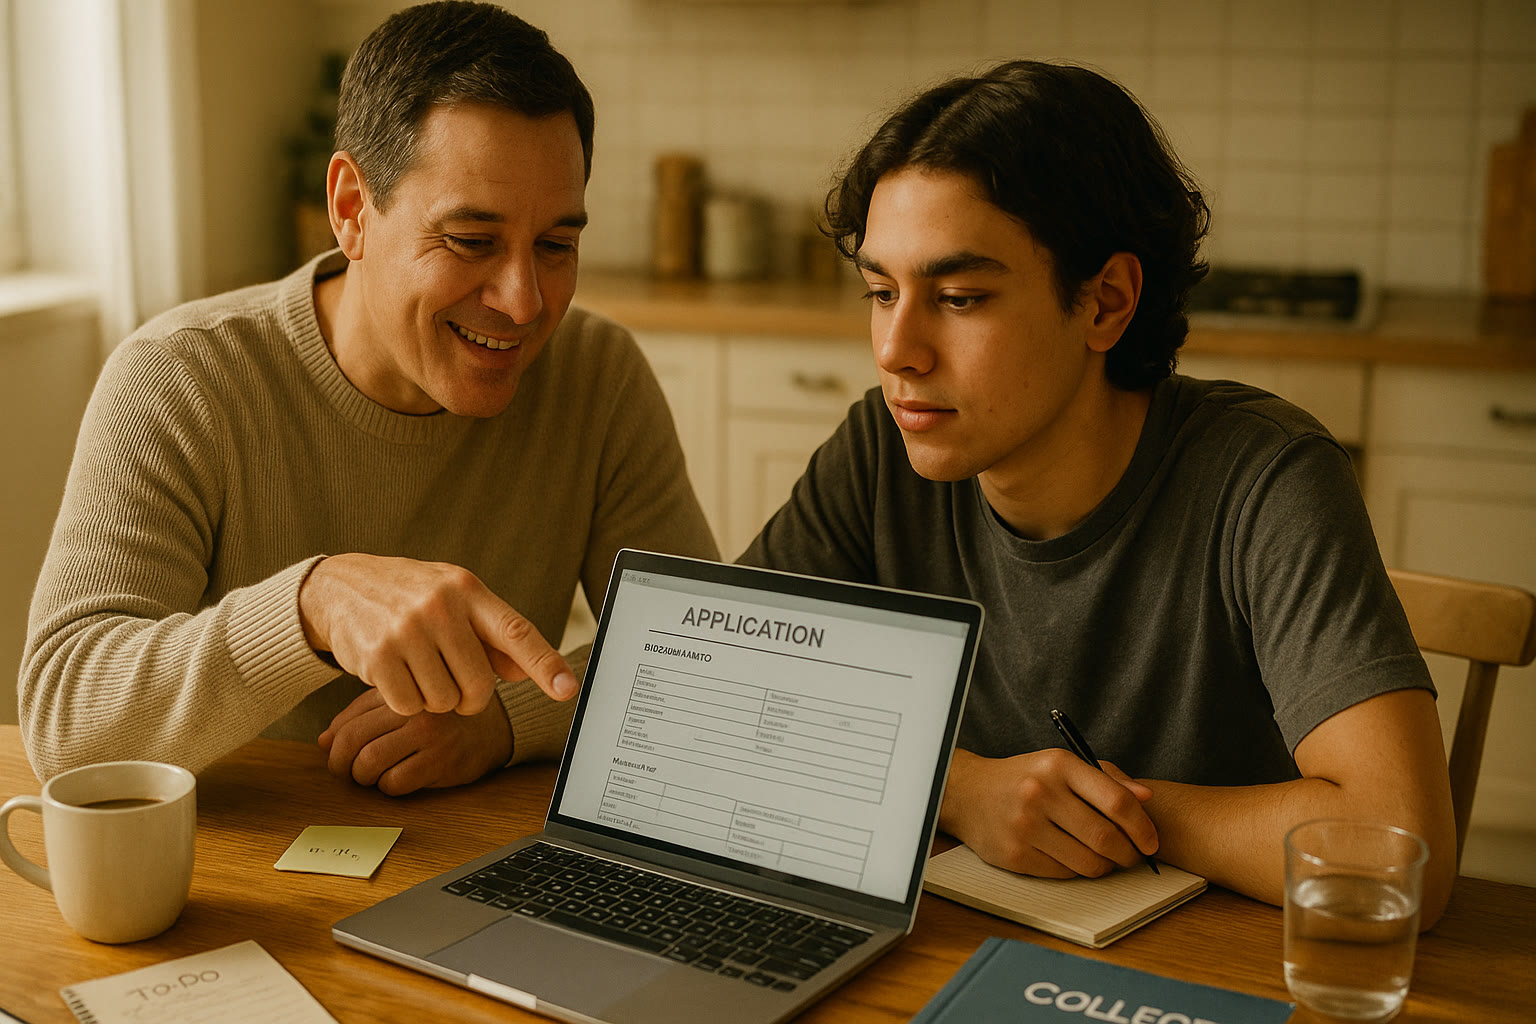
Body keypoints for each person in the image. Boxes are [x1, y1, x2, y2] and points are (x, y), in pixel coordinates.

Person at [739, 61, 1457, 923]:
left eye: (960, 298)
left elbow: (1399, 851)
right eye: (881, 292)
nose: (897, 350)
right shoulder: (881, 446)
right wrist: (958, 790)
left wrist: (1107, 813)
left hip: (1207, 974)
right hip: (954, 949)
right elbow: (725, 698)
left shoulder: (1266, 477)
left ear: (1106, 303)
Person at [20, 1, 716, 795]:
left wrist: (506, 719)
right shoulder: (179, 378)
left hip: (481, 857)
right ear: (351, 208)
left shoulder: (599, 376)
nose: (524, 303)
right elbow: (65, 725)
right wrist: (308, 606)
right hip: (236, 872)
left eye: (556, 245)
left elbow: (702, 662)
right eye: (470, 241)